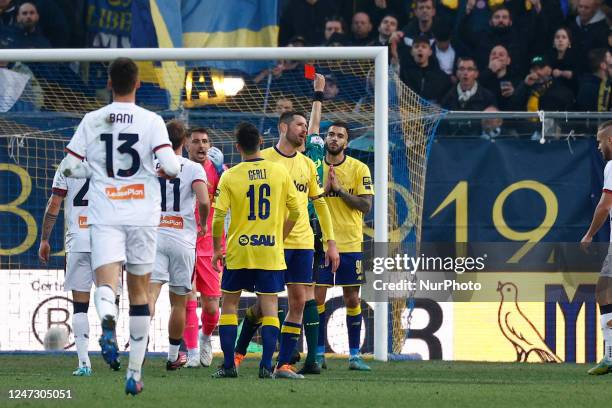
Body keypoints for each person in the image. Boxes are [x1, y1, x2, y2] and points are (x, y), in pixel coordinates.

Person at [58, 57, 180, 396]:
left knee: (106, 284)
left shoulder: (91, 119)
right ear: (138, 83)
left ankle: (107, 318)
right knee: (140, 294)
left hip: (105, 214)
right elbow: (170, 164)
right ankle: (134, 374)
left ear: (109, 83)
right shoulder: (152, 120)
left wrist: (93, 171)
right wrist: (165, 170)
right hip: (142, 214)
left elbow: (70, 167)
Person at [233, 109, 340, 377]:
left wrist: (331, 241)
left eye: (306, 125)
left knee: (299, 303)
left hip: (302, 242)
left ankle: (283, 364)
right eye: (299, 125)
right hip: (271, 242)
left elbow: (319, 202)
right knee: (264, 305)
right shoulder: (265, 159)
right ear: (283, 127)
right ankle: (238, 352)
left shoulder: (306, 164)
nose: (304, 130)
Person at [211, 122, 301, 379]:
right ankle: (265, 366)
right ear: (261, 142)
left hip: (239, 250)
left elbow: (218, 218)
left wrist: (218, 249)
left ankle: (229, 365)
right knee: (270, 307)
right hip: (269, 250)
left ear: (237, 147)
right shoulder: (280, 172)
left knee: (229, 305)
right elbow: (296, 210)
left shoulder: (230, 176)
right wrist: (279, 237)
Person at [148, 120, 210, 371]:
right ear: (184, 141)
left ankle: (138, 348)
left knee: (148, 296)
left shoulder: (149, 165)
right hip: (182, 240)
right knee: (179, 302)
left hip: (153, 237)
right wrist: (203, 224)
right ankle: (173, 355)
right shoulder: (194, 168)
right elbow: (204, 201)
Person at [314, 121, 374, 371]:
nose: (334, 139)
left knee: (352, 299)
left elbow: (365, 206)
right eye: (330, 135)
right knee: (317, 299)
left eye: (339, 136)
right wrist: (323, 190)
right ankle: (317, 354)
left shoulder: (359, 168)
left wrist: (338, 191)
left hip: (349, 242)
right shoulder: (314, 167)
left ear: (346, 142)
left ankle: (354, 355)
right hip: (319, 241)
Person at [38, 167, 103, 376]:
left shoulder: (67, 165)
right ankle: (111, 341)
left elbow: (54, 204)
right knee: (111, 298)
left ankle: (84, 364)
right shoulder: (111, 160)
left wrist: (44, 239)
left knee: (80, 307)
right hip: (106, 241)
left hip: (78, 241)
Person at [182, 128, 226, 368]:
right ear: (187, 145)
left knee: (211, 306)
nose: (202, 146)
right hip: (184, 242)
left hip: (211, 244)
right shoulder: (179, 169)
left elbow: (231, 196)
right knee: (187, 297)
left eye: (206, 142)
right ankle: (190, 351)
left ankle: (205, 337)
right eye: (196, 141)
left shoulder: (220, 170)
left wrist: (221, 172)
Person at [580, 120, 612, 375]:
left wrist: (590, 234)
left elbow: (604, 205)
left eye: (600, 141)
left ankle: (611, 355)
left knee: (604, 290)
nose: (598, 146)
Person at [399, 36, 452, 105]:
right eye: (416, 47)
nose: (420, 49)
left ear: (430, 52)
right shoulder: (404, 74)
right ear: (411, 52)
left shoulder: (440, 76)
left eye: (424, 47)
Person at [479, 45, 519, 111]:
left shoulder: (515, 80)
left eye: (501, 55)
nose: (496, 57)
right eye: (493, 54)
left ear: (508, 61)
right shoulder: (482, 77)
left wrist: (513, 93)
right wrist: (490, 70)